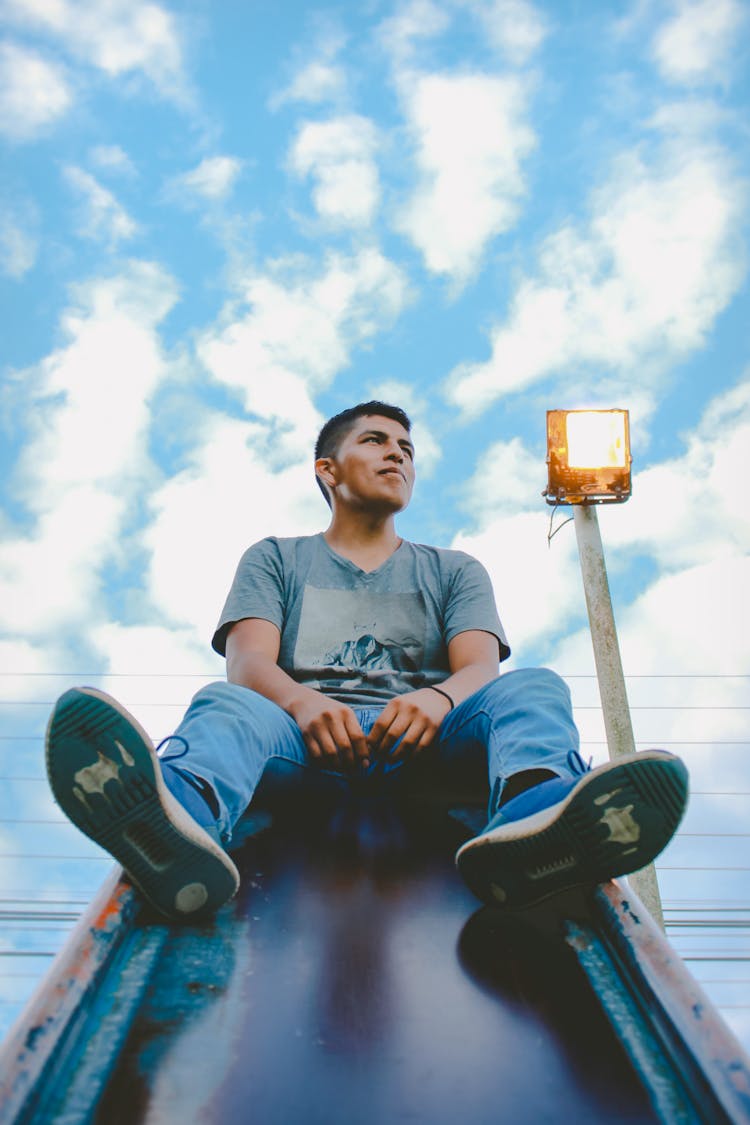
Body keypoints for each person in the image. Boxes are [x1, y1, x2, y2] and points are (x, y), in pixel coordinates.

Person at [45, 401, 688, 920]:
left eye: (407, 450)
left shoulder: (454, 570)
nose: (398, 456)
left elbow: (479, 669)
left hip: (429, 752)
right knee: (227, 705)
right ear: (328, 469)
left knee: (534, 688)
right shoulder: (276, 557)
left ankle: (532, 823)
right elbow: (246, 664)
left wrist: (435, 701)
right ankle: (179, 822)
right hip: (305, 748)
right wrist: (304, 701)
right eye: (378, 442)